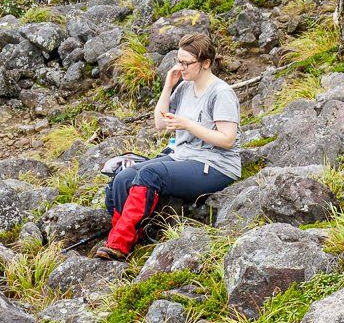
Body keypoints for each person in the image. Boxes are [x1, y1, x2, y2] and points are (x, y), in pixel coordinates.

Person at [95, 32, 241, 260]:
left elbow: (227, 139)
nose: (181, 67)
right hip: (182, 156)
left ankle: (119, 245)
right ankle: (127, 234)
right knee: (123, 177)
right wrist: (168, 86)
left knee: (150, 173)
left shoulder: (221, 93)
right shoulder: (184, 88)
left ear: (205, 63)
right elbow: (160, 123)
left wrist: (188, 125)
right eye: (179, 61)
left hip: (215, 165)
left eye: (186, 63)